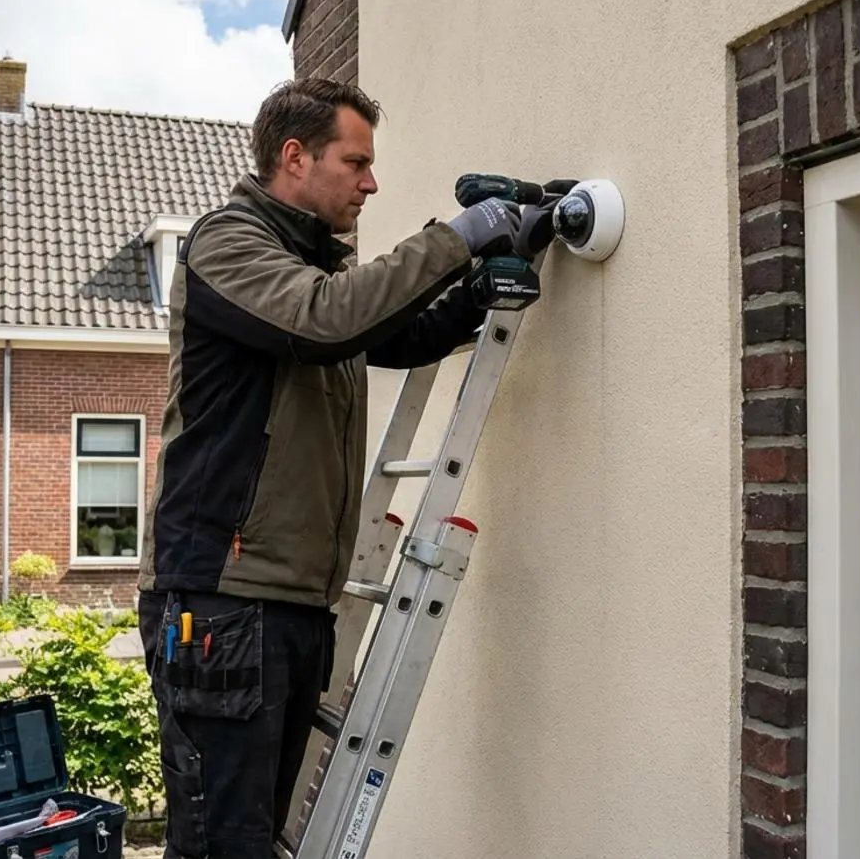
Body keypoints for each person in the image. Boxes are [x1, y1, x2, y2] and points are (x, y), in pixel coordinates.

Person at [136, 77, 555, 859]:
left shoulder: (311, 274)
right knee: (223, 845)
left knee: (261, 838)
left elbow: (397, 335)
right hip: (223, 602)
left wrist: (488, 277)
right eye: (356, 162)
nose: (371, 183)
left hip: (291, 603)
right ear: (294, 157)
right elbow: (330, 320)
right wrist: (464, 233)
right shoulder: (227, 244)